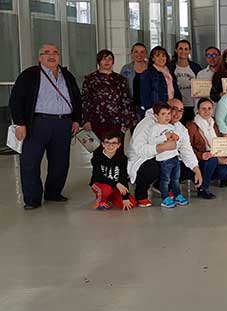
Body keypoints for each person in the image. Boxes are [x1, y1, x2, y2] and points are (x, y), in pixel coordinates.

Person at [10, 44, 82, 210]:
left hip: (63, 123)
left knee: (60, 162)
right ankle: (32, 199)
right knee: (30, 162)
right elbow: (16, 100)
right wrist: (20, 123)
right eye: (46, 53)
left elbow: (77, 99)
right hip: (37, 123)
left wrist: (76, 119)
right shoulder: (30, 75)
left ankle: (53, 192)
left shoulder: (67, 75)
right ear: (40, 57)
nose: (51, 56)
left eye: (55, 52)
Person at [127, 99, 202, 207]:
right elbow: (139, 149)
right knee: (153, 168)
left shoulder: (180, 128)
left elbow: (187, 150)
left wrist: (196, 169)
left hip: (169, 159)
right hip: (144, 159)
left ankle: (161, 186)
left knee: (187, 170)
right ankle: (141, 195)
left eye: (181, 110)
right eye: (173, 109)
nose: (177, 114)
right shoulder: (148, 123)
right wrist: (161, 147)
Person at [81, 49, 137, 139]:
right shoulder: (90, 79)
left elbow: (126, 100)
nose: (107, 61)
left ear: (113, 61)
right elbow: (85, 101)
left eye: (109, 59)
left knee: (117, 148)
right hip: (97, 120)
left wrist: (128, 120)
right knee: (99, 149)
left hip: (117, 121)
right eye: (104, 59)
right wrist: (86, 120)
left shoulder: (120, 79)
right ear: (99, 61)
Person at [185, 98, 227, 199]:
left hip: (213, 158)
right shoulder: (191, 126)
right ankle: (203, 188)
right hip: (198, 161)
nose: (207, 111)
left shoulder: (214, 124)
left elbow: (221, 145)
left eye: (209, 108)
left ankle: (203, 178)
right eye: (203, 109)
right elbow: (186, 149)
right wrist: (202, 155)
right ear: (197, 110)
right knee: (211, 160)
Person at [147, 102, 188, 208]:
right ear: (156, 116)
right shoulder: (155, 128)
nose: (167, 116)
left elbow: (176, 139)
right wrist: (165, 136)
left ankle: (177, 195)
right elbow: (151, 141)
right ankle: (165, 198)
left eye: (169, 113)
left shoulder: (171, 126)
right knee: (165, 180)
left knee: (176, 179)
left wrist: (176, 137)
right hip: (164, 159)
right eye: (163, 114)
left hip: (175, 157)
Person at [90, 130, 135, 211]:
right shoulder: (97, 157)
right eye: (107, 142)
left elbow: (123, 178)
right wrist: (116, 184)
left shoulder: (122, 158)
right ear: (103, 144)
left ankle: (109, 196)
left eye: (114, 143)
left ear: (119, 145)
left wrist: (125, 198)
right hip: (99, 183)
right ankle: (101, 201)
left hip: (114, 186)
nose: (110, 146)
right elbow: (98, 176)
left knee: (131, 203)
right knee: (106, 189)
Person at [139, 46, 181, 116]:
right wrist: (151, 110)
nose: (161, 58)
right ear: (152, 58)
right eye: (158, 56)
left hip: (171, 107)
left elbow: (175, 90)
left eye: (163, 56)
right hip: (157, 109)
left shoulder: (170, 72)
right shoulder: (148, 73)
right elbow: (145, 96)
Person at [169, 39, 202, 122]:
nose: (183, 51)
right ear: (176, 50)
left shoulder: (196, 67)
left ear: (190, 51)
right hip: (176, 107)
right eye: (180, 48)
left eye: (186, 49)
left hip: (193, 106)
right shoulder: (170, 67)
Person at [120, 43, 149, 113]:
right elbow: (121, 88)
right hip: (131, 107)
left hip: (148, 106)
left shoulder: (151, 68)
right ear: (132, 54)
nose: (139, 54)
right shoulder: (126, 69)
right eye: (136, 52)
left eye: (142, 52)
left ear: (146, 54)